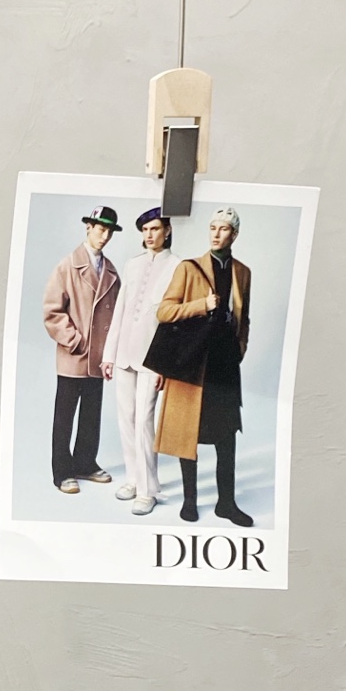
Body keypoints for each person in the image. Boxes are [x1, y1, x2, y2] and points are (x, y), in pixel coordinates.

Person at [153, 208, 253, 525]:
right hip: (193, 364)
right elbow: (164, 312)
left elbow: (244, 319)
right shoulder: (189, 268)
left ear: (234, 234)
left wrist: (239, 348)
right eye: (212, 228)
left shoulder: (243, 272)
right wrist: (201, 305)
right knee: (189, 433)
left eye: (223, 229)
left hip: (224, 366)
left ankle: (227, 503)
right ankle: (190, 501)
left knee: (226, 436)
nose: (216, 234)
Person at [100, 208, 175, 514]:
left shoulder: (178, 266)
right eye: (145, 230)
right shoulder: (132, 265)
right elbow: (120, 310)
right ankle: (133, 478)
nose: (149, 235)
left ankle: (147, 491)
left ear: (167, 231)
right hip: (124, 354)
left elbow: (174, 323)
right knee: (126, 418)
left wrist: (166, 365)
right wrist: (109, 355)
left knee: (144, 420)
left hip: (153, 358)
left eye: (155, 229)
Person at [42, 205, 122, 493]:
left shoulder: (111, 271)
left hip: (98, 358)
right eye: (101, 229)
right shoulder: (67, 266)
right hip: (74, 356)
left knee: (91, 414)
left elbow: (118, 315)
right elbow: (52, 312)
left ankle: (85, 463)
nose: (105, 235)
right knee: (64, 417)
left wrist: (110, 352)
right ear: (88, 227)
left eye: (109, 231)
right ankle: (62, 472)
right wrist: (75, 341)